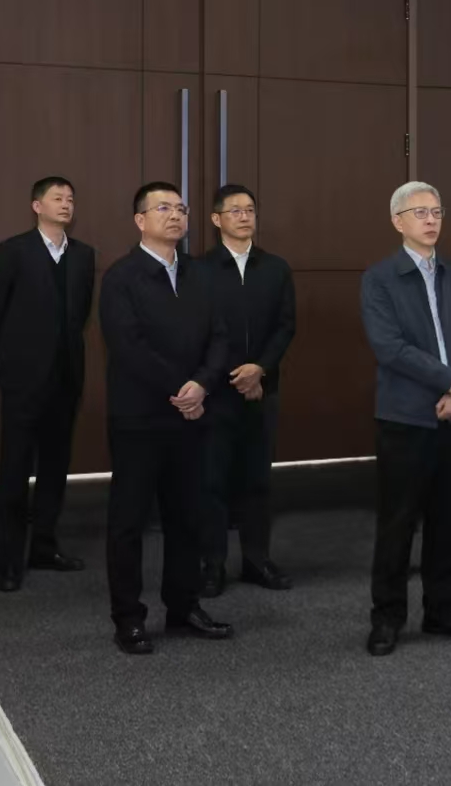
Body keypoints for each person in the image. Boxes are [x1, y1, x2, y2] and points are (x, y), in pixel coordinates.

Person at [100, 182, 233, 656]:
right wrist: (182, 389)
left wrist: (203, 384)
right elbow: (128, 346)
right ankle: (128, 618)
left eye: (181, 208)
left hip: (192, 416)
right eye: (163, 208)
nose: (176, 215)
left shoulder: (202, 274)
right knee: (129, 521)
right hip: (139, 417)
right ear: (140, 220)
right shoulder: (121, 277)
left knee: (187, 517)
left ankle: (183, 605)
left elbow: (220, 337)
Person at [360, 181, 451, 658]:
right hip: (406, 418)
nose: (431, 220)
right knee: (398, 523)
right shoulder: (380, 278)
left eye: (437, 211)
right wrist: (450, 383)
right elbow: (390, 348)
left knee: (448, 520)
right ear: (398, 221)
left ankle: (442, 610)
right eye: (420, 213)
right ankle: (387, 616)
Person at [0, 176, 95, 593]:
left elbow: (81, 313)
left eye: (71, 198)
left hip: (67, 378)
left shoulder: (83, 255)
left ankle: (44, 547)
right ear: (36, 206)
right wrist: (22, 350)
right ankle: (9, 559)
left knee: (55, 467)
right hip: (22, 378)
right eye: (57, 198)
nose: (66, 204)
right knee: (14, 469)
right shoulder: (13, 250)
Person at [199, 185, 296, 597]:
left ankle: (257, 560)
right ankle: (212, 564)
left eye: (250, 210)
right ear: (216, 219)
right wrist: (228, 375)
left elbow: (285, 326)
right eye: (235, 210)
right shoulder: (198, 269)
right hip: (216, 392)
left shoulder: (275, 268)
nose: (244, 216)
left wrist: (259, 369)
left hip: (262, 389)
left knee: (258, 480)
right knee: (211, 481)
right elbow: (197, 331)